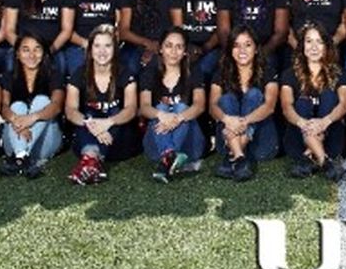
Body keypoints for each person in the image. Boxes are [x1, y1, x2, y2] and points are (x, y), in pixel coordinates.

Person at [65, 24, 139, 184]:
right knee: (88, 116)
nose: (102, 51)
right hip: (88, 138)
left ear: (115, 49)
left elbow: (131, 109)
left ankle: (88, 164)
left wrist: (108, 123)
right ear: (90, 49)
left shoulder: (125, 73)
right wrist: (91, 125)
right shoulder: (79, 73)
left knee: (115, 112)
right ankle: (91, 162)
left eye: (107, 46)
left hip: (119, 143)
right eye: (97, 46)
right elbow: (70, 110)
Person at [280, 22, 346, 180]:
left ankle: (308, 157)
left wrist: (324, 122)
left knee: (329, 96)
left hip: (331, 138)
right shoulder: (289, 74)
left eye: (319, 41)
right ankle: (325, 162)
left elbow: (343, 105)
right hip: (298, 137)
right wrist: (303, 124)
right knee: (302, 102)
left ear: (326, 46)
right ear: (302, 46)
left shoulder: (339, 73)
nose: (314, 47)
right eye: (309, 41)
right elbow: (286, 107)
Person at [210, 26, 279, 179]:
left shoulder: (268, 71)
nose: (242, 50)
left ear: (256, 49)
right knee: (226, 99)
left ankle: (232, 157)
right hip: (226, 142)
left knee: (254, 94)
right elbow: (212, 107)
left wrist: (243, 122)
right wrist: (228, 119)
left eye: (247, 45)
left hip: (261, 145)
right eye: (236, 45)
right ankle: (240, 158)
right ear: (230, 49)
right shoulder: (221, 72)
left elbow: (269, 107)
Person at [139, 28, 206, 183]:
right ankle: (169, 155)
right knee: (160, 109)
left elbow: (199, 105)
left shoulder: (193, 70)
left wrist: (178, 118)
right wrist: (162, 116)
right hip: (155, 145)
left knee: (182, 108)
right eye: (169, 46)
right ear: (160, 49)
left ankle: (167, 161)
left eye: (179, 47)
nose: (173, 51)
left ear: (185, 51)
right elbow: (144, 106)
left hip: (190, 146)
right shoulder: (150, 71)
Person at [0, 34, 64, 179]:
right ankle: (22, 156)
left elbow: (57, 106)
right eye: (26, 50)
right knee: (17, 106)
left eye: (37, 49)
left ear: (44, 53)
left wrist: (32, 118)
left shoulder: (54, 75)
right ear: (17, 54)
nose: (31, 55)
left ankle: (20, 159)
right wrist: (16, 120)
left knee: (42, 100)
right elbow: (3, 107)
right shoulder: (8, 76)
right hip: (14, 142)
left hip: (45, 142)